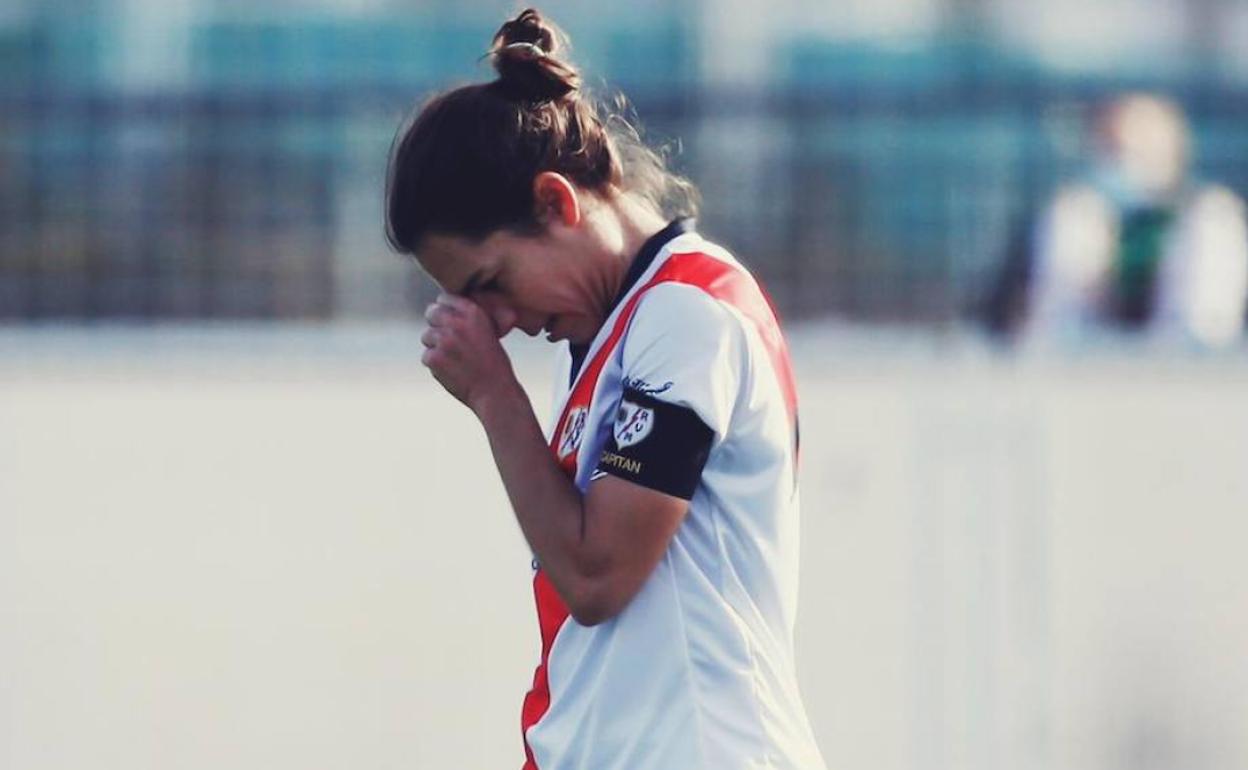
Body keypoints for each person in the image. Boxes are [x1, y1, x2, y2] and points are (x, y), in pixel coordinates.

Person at [385, 9, 827, 769]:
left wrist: (495, 399)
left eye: (492, 285)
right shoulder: (608, 334)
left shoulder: (687, 311)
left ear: (556, 203)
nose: (501, 324)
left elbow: (598, 575)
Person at [988, 93, 1248, 349]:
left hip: (1186, 364)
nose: (1121, 160)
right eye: (1111, 147)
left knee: (1212, 220)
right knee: (1075, 218)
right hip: (1086, 360)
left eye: (1135, 147)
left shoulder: (1209, 216)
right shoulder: (1077, 215)